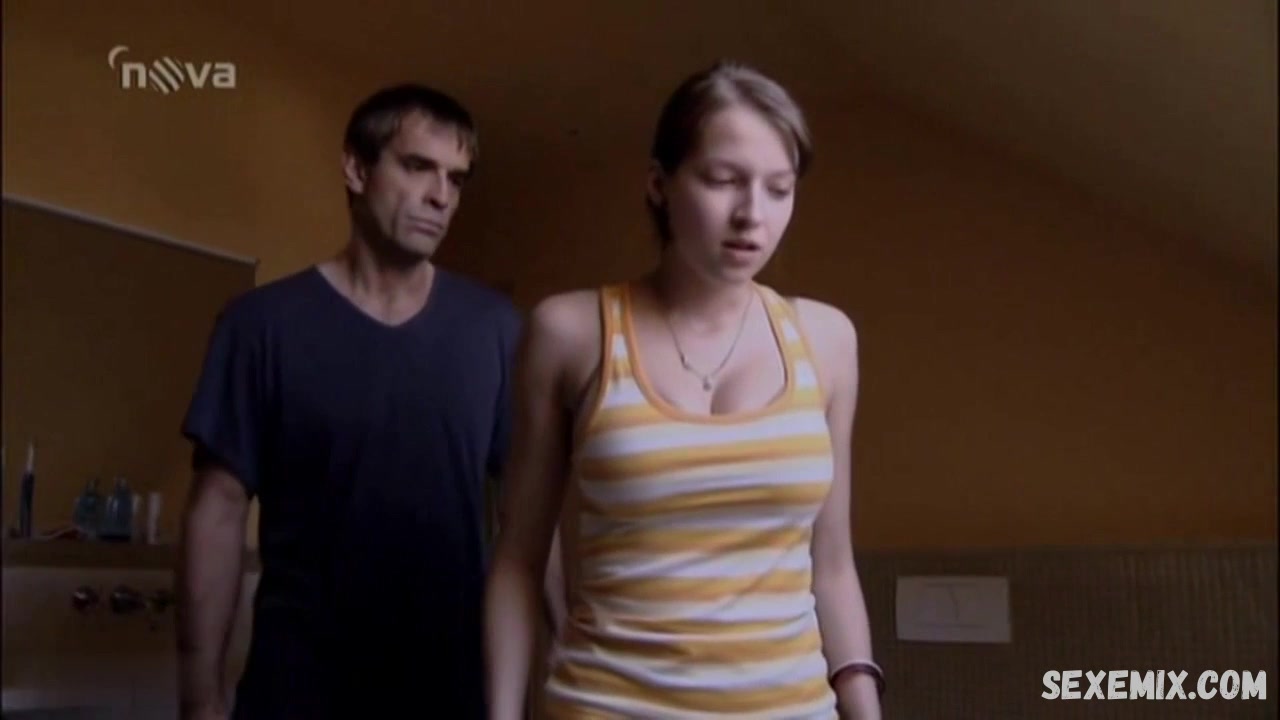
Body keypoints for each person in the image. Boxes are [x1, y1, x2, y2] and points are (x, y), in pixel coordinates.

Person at [485, 60, 884, 719]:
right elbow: (518, 562)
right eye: (723, 180)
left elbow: (833, 565)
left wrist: (864, 708)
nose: (752, 214)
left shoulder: (827, 339)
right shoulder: (570, 332)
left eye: (779, 189)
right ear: (658, 184)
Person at [176, 83, 523, 720]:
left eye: (456, 179)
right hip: (296, 691)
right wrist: (200, 700)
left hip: (449, 693)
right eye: (417, 167)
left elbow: (528, 525)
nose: (441, 196)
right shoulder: (260, 326)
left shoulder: (497, 330)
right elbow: (217, 513)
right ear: (357, 170)